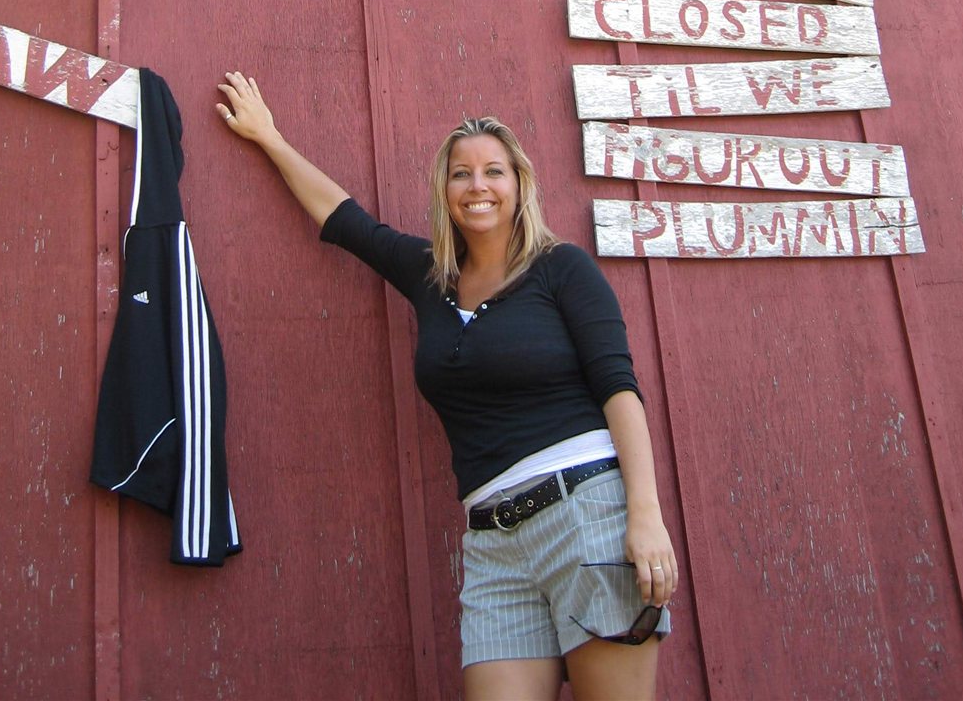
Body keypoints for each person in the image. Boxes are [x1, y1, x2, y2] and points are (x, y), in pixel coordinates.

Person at [217, 73, 677, 701]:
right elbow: (345, 219)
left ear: (519, 186)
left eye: (494, 171)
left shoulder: (560, 269)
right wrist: (270, 138)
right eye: (461, 173)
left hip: (587, 515)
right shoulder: (429, 278)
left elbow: (619, 390)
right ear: (445, 190)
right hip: (494, 543)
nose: (478, 186)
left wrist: (644, 517)